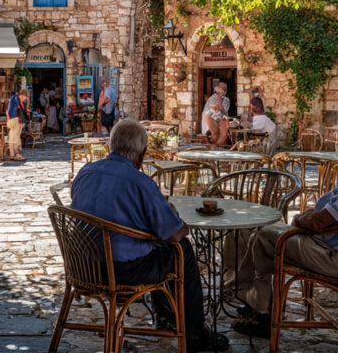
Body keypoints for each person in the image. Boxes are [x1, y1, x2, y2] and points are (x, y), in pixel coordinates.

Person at [227, 114, 338, 337]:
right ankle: (253, 300)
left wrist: (299, 220)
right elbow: (330, 213)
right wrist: (309, 218)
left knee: (262, 237)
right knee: (252, 234)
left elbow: (321, 221)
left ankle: (259, 313)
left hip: (336, 257)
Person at [70, 120, 228, 352]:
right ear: (142, 155)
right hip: (122, 271)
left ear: (111, 146)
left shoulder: (86, 172)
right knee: (181, 250)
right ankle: (194, 333)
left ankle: (166, 316)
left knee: (155, 248)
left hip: (82, 265)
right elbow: (173, 233)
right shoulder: (141, 182)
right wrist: (180, 224)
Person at [6, 88, 29, 161]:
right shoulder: (15, 99)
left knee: (13, 136)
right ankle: (17, 154)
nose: (25, 99)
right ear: (22, 95)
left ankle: (12, 154)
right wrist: (9, 121)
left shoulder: (18, 100)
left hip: (17, 121)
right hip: (15, 120)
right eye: (25, 97)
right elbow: (9, 112)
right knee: (15, 137)